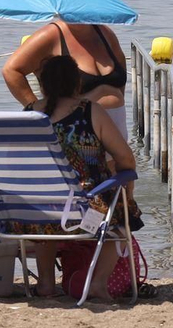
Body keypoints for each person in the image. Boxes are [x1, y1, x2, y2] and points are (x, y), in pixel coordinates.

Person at [23, 54, 140, 299]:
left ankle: (45, 284)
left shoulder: (29, 114)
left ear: (43, 86)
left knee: (48, 212)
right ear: (77, 84)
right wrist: (124, 184)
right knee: (121, 220)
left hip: (34, 212)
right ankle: (97, 283)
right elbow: (126, 159)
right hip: (86, 209)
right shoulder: (89, 111)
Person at [2, 0, 128, 134]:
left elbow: (120, 80)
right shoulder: (51, 35)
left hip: (116, 132)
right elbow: (11, 71)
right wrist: (39, 113)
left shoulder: (105, 33)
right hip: (77, 136)